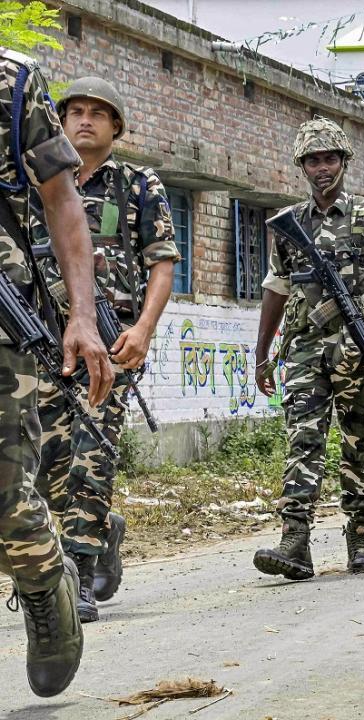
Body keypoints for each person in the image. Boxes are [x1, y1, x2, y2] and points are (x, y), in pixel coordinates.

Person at [30, 77, 178, 624]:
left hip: (111, 341)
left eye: (98, 113)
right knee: (46, 460)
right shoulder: (37, 182)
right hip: (44, 336)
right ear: (61, 121)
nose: (85, 120)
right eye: (75, 111)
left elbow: (161, 262)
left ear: (116, 126)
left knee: (91, 455)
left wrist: (142, 329)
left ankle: (79, 571)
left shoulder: (138, 185)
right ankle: (97, 534)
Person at [1, 48, 115, 697]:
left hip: (2, 312)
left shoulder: (14, 83)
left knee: (7, 496)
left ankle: (46, 579)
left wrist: (81, 316)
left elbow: (61, 200)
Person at [252, 118, 364, 581]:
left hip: (361, 350)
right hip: (305, 350)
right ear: (302, 166)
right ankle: (295, 540)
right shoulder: (290, 223)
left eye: (330, 159)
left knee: (359, 444)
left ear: (344, 162)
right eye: (314, 160)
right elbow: (276, 288)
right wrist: (263, 353)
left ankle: (360, 537)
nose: (323, 168)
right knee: (303, 441)